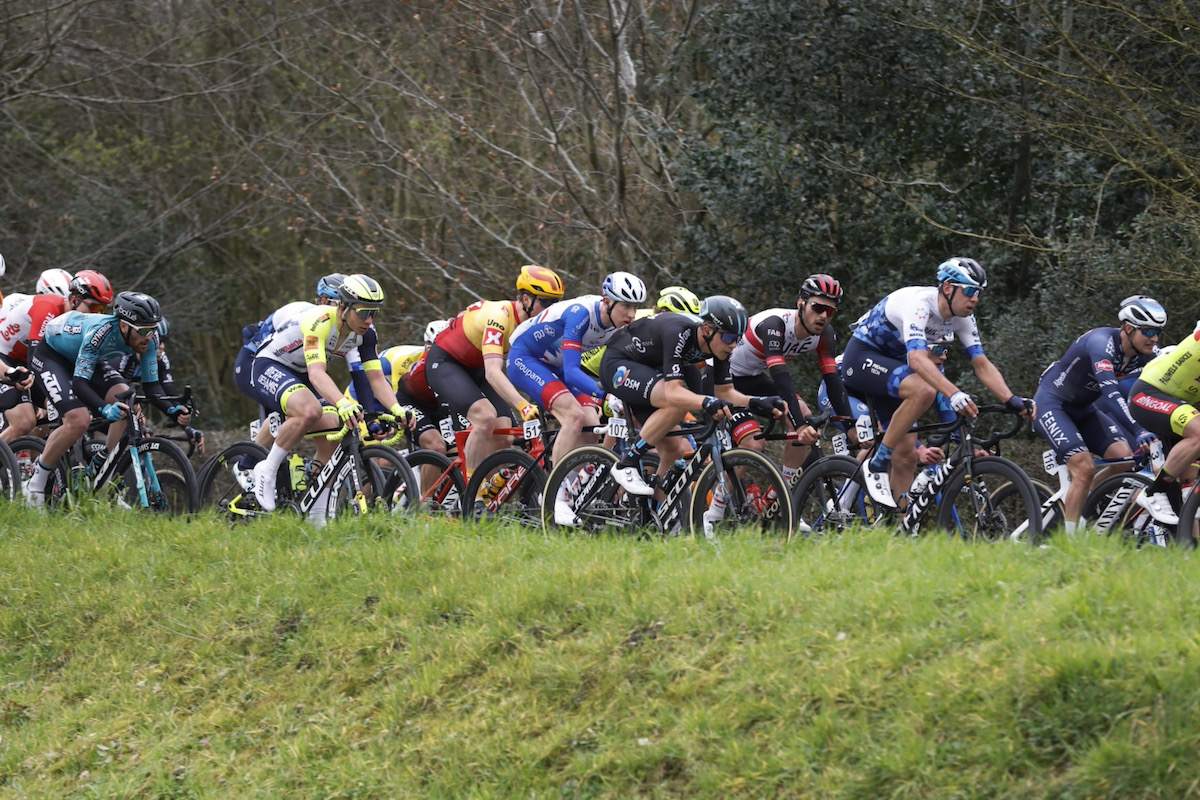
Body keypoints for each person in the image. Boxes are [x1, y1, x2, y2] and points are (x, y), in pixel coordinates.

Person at [841, 257, 1033, 505]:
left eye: (979, 293)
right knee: (923, 392)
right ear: (948, 288)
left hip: (893, 367)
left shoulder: (963, 318)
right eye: (970, 291)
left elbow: (981, 363)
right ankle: (876, 465)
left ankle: (901, 527)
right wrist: (954, 394)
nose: (975, 299)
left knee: (908, 453)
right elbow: (918, 360)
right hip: (863, 357)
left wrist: (1011, 399)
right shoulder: (920, 304)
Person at [241, 274, 413, 520]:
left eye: (374, 313)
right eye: (364, 312)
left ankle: (316, 514)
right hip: (271, 364)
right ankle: (266, 470)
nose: (369, 319)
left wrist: (397, 409)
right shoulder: (319, 320)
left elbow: (375, 379)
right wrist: (343, 403)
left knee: (335, 427)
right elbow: (317, 373)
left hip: (300, 373)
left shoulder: (367, 333)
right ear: (343, 307)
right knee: (310, 411)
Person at [597, 295, 784, 504]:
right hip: (619, 363)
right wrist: (706, 402)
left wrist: (756, 401)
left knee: (675, 451)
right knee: (677, 402)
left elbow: (724, 392)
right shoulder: (679, 332)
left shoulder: (719, 346)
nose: (733, 346)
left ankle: (657, 515)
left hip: (649, 372)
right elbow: (674, 392)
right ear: (707, 330)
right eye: (729, 339)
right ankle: (627, 463)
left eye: (738, 339)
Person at [24, 291, 190, 507]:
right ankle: (34, 485)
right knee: (79, 419)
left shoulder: (149, 339)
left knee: (128, 405)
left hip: (85, 357)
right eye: (144, 330)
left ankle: (103, 475)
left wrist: (173, 410)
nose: (150, 336)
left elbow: (152, 388)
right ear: (124, 326)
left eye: (153, 328)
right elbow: (80, 383)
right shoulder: (99, 333)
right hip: (52, 355)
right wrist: (103, 409)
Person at [1033, 295, 1165, 533]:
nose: (1154, 338)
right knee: (1084, 467)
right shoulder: (1101, 343)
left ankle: (1085, 495)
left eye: (1157, 332)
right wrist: (1138, 430)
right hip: (1053, 404)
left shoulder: (1147, 352)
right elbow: (1112, 395)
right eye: (1147, 331)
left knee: (1124, 458)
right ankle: (1069, 540)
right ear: (1128, 328)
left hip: (1084, 409)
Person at [425, 264, 565, 476]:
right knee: (485, 418)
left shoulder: (537, 326)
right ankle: (471, 491)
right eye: (545, 302)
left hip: (476, 369)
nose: (550, 309)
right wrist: (522, 405)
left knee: (504, 434)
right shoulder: (500, 316)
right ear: (526, 300)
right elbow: (493, 372)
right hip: (446, 362)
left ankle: (485, 494)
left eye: (555, 303)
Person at [726, 274, 854, 488]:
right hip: (724, 381)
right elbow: (780, 376)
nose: (823, 315)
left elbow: (832, 380)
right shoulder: (775, 324)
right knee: (753, 443)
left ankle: (783, 496)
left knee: (803, 414)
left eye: (830, 311)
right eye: (817, 307)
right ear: (801, 304)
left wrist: (851, 425)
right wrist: (800, 426)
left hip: (754, 379)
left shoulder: (824, 335)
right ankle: (713, 515)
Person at [508, 271, 646, 461]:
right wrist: (607, 396)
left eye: (635, 307)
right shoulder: (581, 313)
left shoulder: (618, 325)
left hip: (556, 367)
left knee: (591, 425)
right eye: (626, 306)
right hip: (525, 359)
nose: (631, 314)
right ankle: (554, 488)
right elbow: (572, 372)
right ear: (607, 301)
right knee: (574, 416)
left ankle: (574, 485)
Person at [0, 270, 113, 443]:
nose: (97, 315)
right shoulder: (48, 307)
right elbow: (35, 357)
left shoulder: (79, 322)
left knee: (55, 417)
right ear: (75, 301)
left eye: (103, 309)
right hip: (6, 358)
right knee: (24, 422)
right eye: (94, 308)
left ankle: (30, 466)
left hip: (27, 361)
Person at [1126, 317, 1200, 526]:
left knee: (1189, 478)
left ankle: (1189, 549)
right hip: (1149, 393)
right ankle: (1153, 492)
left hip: (1183, 404)